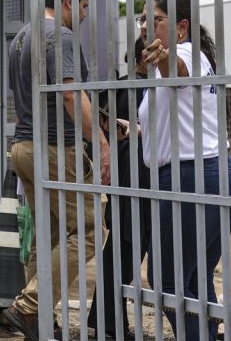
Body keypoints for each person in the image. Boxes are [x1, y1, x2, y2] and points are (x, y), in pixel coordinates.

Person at [2, 0, 111, 341]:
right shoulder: (60, 36)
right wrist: (98, 140)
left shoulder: (20, 37)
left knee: (48, 237)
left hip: (23, 146)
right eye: (83, 6)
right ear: (68, 2)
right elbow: (69, 94)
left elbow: (29, 100)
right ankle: (28, 306)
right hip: (52, 148)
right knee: (92, 228)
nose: (84, 15)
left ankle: (37, 318)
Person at [140, 0, 231, 341]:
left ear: (181, 27)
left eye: (155, 19)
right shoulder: (175, 63)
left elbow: (178, 71)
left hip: (192, 176)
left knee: (166, 281)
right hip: (214, 173)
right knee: (194, 278)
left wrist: (164, 59)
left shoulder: (186, 55)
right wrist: (132, 129)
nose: (144, 26)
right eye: (142, 19)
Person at [87, 36, 150, 340]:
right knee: (126, 250)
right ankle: (109, 322)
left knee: (121, 248)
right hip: (139, 177)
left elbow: (98, 124)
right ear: (142, 57)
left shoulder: (116, 88)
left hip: (122, 175)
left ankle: (105, 319)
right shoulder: (146, 88)